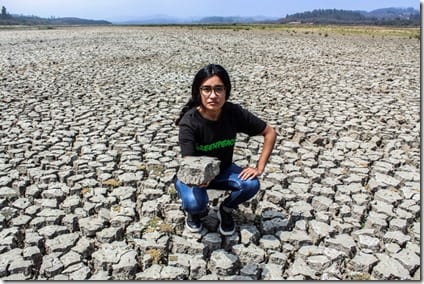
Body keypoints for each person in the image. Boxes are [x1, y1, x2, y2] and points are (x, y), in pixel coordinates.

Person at [174, 64, 276, 236]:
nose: (213, 95)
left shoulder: (233, 113)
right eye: (206, 89)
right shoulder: (189, 122)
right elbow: (188, 162)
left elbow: (270, 132)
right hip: (194, 176)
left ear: (226, 91)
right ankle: (193, 213)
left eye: (218, 89)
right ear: (198, 92)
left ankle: (226, 209)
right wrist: (200, 180)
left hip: (223, 171)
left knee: (251, 184)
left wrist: (259, 167)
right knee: (195, 203)